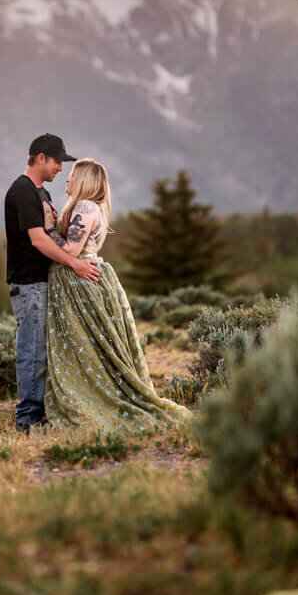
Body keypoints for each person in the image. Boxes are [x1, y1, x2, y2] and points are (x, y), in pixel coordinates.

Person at [44, 158, 190, 433]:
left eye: (73, 175)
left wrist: (49, 227)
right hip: (83, 278)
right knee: (92, 347)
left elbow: (71, 251)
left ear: (85, 179)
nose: (68, 180)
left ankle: (91, 400)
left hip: (79, 281)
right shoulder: (91, 207)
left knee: (86, 345)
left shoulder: (85, 206)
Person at [4, 134, 100, 433]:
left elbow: (52, 235)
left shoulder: (41, 193)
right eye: (58, 161)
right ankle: (27, 420)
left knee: (43, 350)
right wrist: (75, 263)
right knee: (32, 351)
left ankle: (41, 413)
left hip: (43, 283)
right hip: (30, 284)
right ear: (41, 157)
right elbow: (37, 240)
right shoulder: (22, 191)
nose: (60, 168)